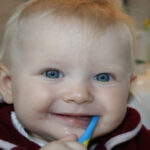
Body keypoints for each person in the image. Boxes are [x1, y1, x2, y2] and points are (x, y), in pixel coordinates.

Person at [0, 0, 149, 149]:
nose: (79, 95)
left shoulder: (137, 141)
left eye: (103, 77)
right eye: (52, 74)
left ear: (128, 88)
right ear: (9, 86)